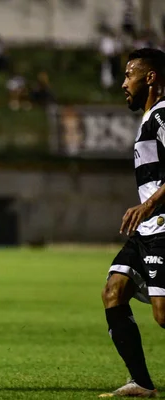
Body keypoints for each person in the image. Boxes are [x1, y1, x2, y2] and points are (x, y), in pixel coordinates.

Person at [100, 48, 165, 398]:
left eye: (129, 75)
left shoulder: (162, 115)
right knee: (114, 291)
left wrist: (150, 203)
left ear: (150, 77)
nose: (124, 83)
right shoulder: (149, 118)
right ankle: (142, 383)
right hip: (148, 230)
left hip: (163, 228)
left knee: (163, 315)